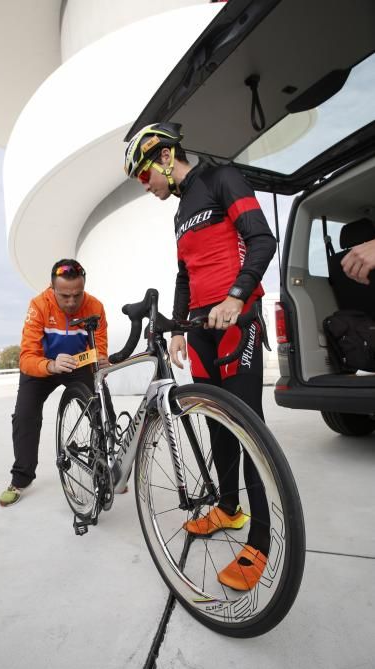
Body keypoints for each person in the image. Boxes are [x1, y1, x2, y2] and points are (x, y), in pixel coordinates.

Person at [124, 123, 277, 590]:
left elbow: (261, 240)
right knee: (215, 425)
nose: (144, 185)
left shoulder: (221, 179)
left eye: (143, 174)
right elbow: (185, 275)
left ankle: (261, 544)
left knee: (250, 432)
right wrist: (175, 327)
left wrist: (235, 298)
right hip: (201, 331)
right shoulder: (178, 214)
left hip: (237, 322)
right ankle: (228, 510)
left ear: (165, 157)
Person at [0, 258, 113, 507]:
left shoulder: (96, 306)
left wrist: (100, 361)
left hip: (77, 365)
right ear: (52, 289)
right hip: (43, 366)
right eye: (64, 296)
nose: (72, 302)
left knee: (102, 405)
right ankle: (21, 478)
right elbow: (26, 357)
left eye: (77, 295)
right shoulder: (38, 305)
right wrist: (49, 365)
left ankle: (105, 467)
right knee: (24, 416)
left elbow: (99, 348)